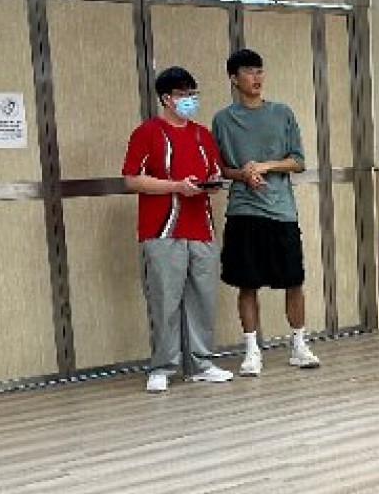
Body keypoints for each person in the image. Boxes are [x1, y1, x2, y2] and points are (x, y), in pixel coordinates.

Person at [122, 66, 234, 393]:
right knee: (165, 299)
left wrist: (211, 184)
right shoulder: (147, 132)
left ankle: (201, 363)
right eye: (184, 95)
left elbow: (213, 172)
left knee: (203, 299)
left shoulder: (202, 134)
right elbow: (132, 179)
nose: (190, 100)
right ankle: (162, 367)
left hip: (201, 226)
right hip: (162, 229)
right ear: (166, 99)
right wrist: (175, 186)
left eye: (193, 94)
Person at [213, 48, 320, 374]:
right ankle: (251, 351)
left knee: (293, 281)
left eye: (259, 71)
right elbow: (221, 169)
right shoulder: (222, 120)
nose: (256, 77)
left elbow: (298, 161)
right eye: (248, 72)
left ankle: (299, 345)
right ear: (234, 79)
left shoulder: (282, 113)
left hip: (281, 211)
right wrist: (243, 173)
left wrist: (266, 165)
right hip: (243, 211)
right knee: (247, 284)